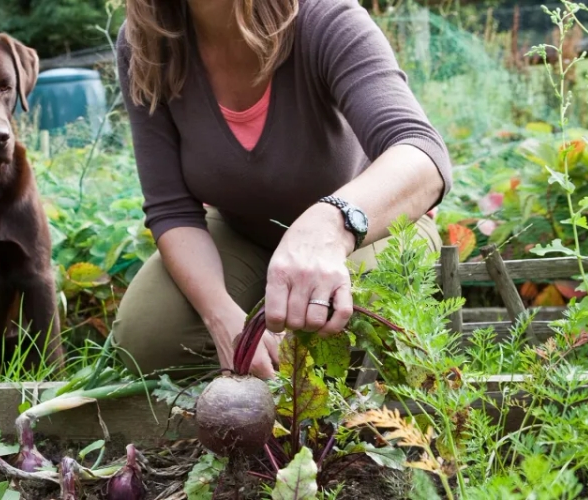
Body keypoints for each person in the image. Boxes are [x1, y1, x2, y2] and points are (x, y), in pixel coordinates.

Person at [109, 0, 452, 380]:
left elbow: (421, 153)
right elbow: (171, 209)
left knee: (327, 318)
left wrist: (330, 225)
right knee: (151, 337)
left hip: (371, 229)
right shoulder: (148, 42)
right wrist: (221, 316)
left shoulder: (324, 18)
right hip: (244, 229)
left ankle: (345, 412)